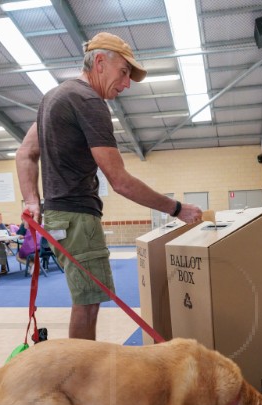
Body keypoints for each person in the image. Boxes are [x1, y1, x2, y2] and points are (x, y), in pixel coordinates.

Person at [16, 32, 202, 340]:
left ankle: (80, 373)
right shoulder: (89, 100)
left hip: (59, 216)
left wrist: (32, 201)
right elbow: (121, 181)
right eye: (124, 72)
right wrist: (177, 208)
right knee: (88, 304)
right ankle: (81, 379)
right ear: (100, 62)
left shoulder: (54, 97)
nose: (126, 83)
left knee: (86, 299)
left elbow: (25, 152)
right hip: (78, 217)